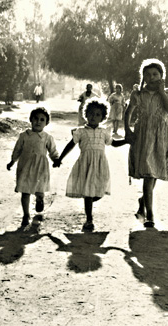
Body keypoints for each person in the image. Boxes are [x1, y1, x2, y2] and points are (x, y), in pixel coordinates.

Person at [53, 98, 127, 231]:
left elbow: (114, 143)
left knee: (99, 192)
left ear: (103, 118)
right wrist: (60, 158)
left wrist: (127, 141)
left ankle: (89, 200)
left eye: (97, 115)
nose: (93, 117)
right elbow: (71, 145)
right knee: (89, 192)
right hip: (86, 164)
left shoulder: (104, 132)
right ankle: (89, 219)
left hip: (100, 165)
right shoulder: (80, 131)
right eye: (91, 113)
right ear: (85, 114)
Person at [124, 58, 168, 228]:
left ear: (161, 76)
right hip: (143, 136)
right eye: (147, 75)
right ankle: (150, 215)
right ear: (143, 78)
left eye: (155, 74)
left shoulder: (167, 93)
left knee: (154, 172)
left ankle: (142, 202)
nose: (151, 77)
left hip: (160, 136)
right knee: (148, 173)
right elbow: (128, 112)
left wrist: (162, 93)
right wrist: (127, 130)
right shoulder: (138, 94)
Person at [7, 107, 59, 227]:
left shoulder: (47, 137)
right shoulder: (24, 136)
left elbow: (53, 151)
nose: (38, 121)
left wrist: (56, 159)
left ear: (46, 123)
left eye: (42, 119)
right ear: (30, 120)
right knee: (25, 192)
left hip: (40, 168)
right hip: (25, 167)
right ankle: (26, 215)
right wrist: (12, 162)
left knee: (39, 190)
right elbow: (17, 150)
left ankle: (40, 199)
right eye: (35, 118)